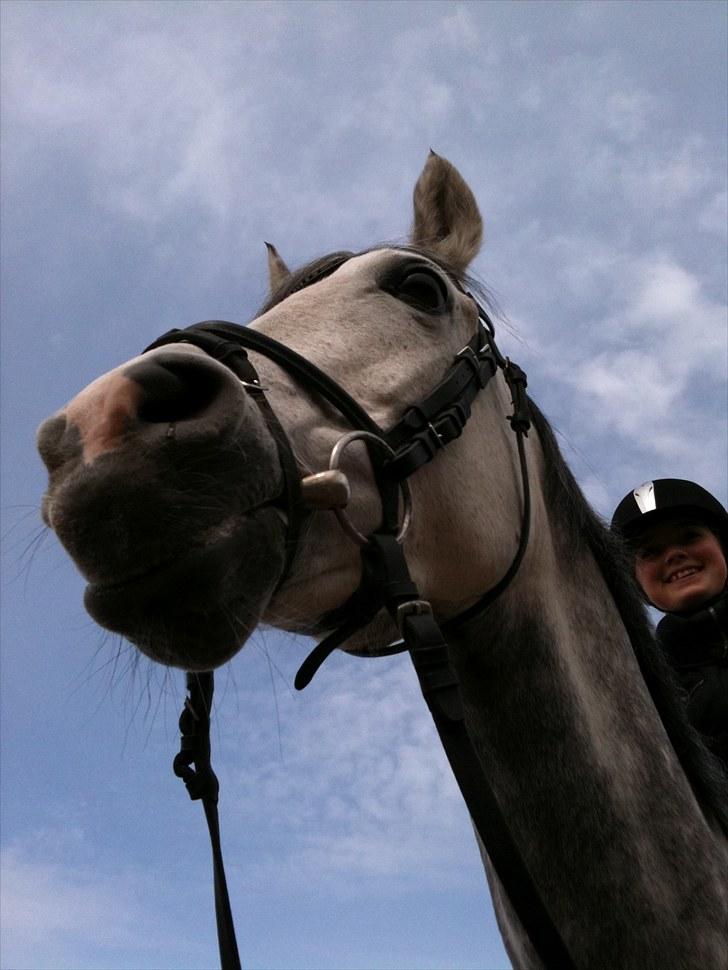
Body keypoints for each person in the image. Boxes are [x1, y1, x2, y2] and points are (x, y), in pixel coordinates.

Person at [611, 479, 728, 767]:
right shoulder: (643, 698)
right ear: (635, 584)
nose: (673, 555)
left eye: (689, 536)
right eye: (650, 552)